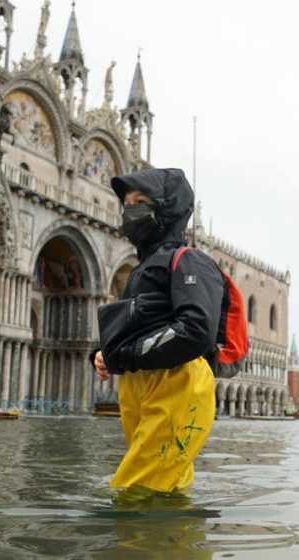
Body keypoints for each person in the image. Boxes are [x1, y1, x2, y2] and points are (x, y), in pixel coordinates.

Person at [92, 167, 223, 495]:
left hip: (176, 382)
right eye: (126, 203)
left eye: (140, 201)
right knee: (164, 485)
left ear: (167, 207)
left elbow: (196, 329)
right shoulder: (141, 270)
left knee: (138, 490)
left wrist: (127, 356)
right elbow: (137, 322)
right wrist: (103, 353)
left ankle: (145, 545)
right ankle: (172, 544)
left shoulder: (190, 261)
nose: (129, 210)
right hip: (142, 384)